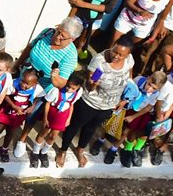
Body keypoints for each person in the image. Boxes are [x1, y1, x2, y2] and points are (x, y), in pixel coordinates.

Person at [57, 39, 134, 167]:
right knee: (74, 126)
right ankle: (63, 150)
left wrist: (125, 98)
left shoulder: (130, 60)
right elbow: (89, 86)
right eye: (115, 51)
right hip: (90, 103)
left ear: (127, 55)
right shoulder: (99, 61)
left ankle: (80, 149)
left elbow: (129, 76)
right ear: (113, 46)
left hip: (109, 105)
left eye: (121, 55)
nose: (116, 56)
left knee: (91, 128)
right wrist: (94, 84)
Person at [13, 18, 81, 157]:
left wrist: (54, 77)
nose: (58, 37)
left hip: (43, 87)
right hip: (26, 75)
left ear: (72, 39)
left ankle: (22, 139)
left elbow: (62, 83)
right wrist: (17, 64)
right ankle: (9, 124)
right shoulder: (47, 33)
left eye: (63, 36)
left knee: (31, 113)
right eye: (58, 32)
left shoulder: (70, 56)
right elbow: (29, 48)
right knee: (15, 101)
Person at [0, 67, 40, 162]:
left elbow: (39, 97)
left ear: (34, 84)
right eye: (23, 81)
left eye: (27, 83)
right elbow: (5, 95)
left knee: (11, 132)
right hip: (7, 109)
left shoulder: (37, 88)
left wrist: (32, 106)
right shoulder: (14, 84)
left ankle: (4, 149)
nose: (23, 84)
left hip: (19, 113)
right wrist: (14, 106)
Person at [33, 71, 85, 168]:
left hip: (63, 115)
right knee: (43, 133)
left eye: (73, 88)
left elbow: (71, 104)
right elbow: (47, 103)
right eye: (68, 86)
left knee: (53, 136)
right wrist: (45, 118)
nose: (69, 89)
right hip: (52, 113)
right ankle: (35, 152)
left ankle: (44, 152)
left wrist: (68, 118)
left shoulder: (79, 92)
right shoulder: (56, 90)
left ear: (79, 87)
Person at [117, 70, 167, 167]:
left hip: (142, 112)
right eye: (149, 84)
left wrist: (134, 117)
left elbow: (148, 107)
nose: (149, 89)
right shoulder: (138, 80)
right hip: (131, 108)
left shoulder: (156, 93)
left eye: (154, 88)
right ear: (148, 78)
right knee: (130, 130)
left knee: (143, 131)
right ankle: (127, 149)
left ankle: (137, 149)